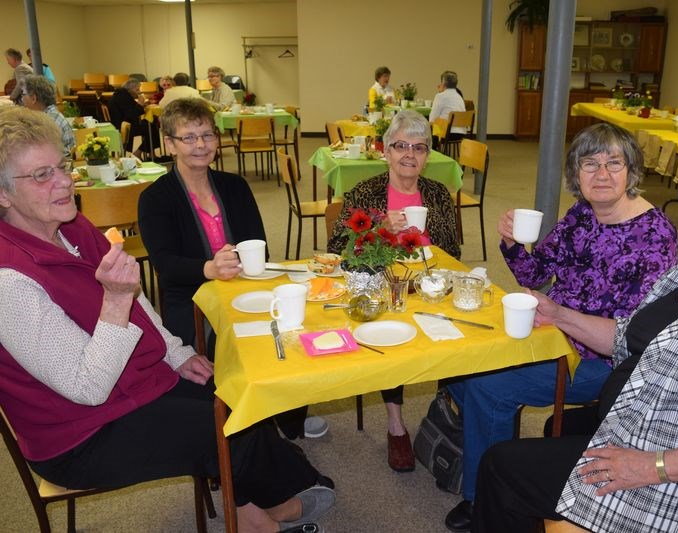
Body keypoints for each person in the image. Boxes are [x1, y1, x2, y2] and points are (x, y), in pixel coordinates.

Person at [0, 106, 335, 533]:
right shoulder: (9, 280)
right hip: (79, 434)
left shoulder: (71, 227)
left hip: (132, 384)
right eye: (42, 175)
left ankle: (257, 503)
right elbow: (86, 388)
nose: (65, 181)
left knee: (236, 392)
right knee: (224, 426)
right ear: (3, 194)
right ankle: (268, 514)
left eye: (62, 166)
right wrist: (116, 300)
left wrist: (175, 354)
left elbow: (140, 307)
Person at [471, 129, 678, 532]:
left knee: (502, 469)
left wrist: (649, 465)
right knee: (519, 439)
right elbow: (627, 339)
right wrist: (558, 314)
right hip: (633, 425)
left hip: (676, 486)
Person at [441, 122, 678, 532]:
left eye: (613, 163)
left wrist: (560, 317)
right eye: (590, 164)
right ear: (576, 174)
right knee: (459, 357)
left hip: (602, 361)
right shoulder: (583, 214)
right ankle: (484, 434)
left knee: (486, 388)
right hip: (552, 329)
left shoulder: (654, 236)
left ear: (632, 170)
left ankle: (481, 493)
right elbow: (535, 274)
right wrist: (513, 244)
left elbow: (634, 335)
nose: (601, 174)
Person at [138, 97, 328, 441]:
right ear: (169, 144)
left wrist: (241, 265)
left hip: (246, 284)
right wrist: (209, 267)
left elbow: (260, 245)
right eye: (189, 137)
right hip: (193, 296)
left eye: (208, 135)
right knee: (236, 346)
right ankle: (248, 424)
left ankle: (283, 410)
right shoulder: (156, 198)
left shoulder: (234, 186)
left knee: (292, 325)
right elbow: (165, 267)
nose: (201, 145)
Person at [328, 109, 460, 472]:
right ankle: (395, 423)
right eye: (400, 146)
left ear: (427, 156)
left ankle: (446, 409)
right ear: (385, 151)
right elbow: (337, 244)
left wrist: (435, 279)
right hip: (382, 285)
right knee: (393, 340)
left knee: (465, 328)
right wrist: (378, 224)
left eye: (419, 148)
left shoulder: (437, 194)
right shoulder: (366, 192)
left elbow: (454, 251)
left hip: (430, 284)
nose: (409, 155)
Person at [20, 75, 75, 158]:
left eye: (23, 94)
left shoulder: (48, 122)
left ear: (33, 98)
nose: (21, 99)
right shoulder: (50, 115)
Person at [108, 78, 158, 158]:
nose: (139, 92)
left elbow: (132, 107)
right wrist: (140, 104)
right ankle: (138, 153)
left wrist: (142, 105)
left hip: (121, 124)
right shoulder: (123, 96)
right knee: (152, 128)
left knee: (150, 125)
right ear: (130, 89)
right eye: (137, 89)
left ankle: (151, 154)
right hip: (124, 127)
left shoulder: (121, 94)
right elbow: (132, 114)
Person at [428, 70, 466, 150]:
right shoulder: (459, 97)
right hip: (460, 133)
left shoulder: (440, 96)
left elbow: (432, 119)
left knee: (427, 131)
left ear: (443, 83)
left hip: (445, 133)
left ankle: (433, 156)